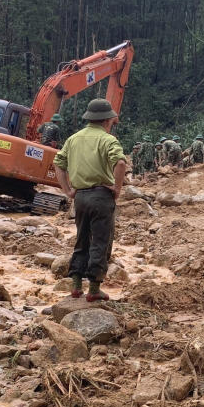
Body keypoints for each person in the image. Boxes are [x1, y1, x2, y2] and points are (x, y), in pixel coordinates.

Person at [53, 99, 126, 303]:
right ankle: (94, 289)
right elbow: (120, 163)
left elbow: (58, 163)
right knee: (101, 242)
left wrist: (67, 190)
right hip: (101, 196)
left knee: (82, 240)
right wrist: (117, 189)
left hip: (81, 197)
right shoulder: (108, 140)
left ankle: (76, 287)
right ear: (106, 121)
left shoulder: (73, 139)